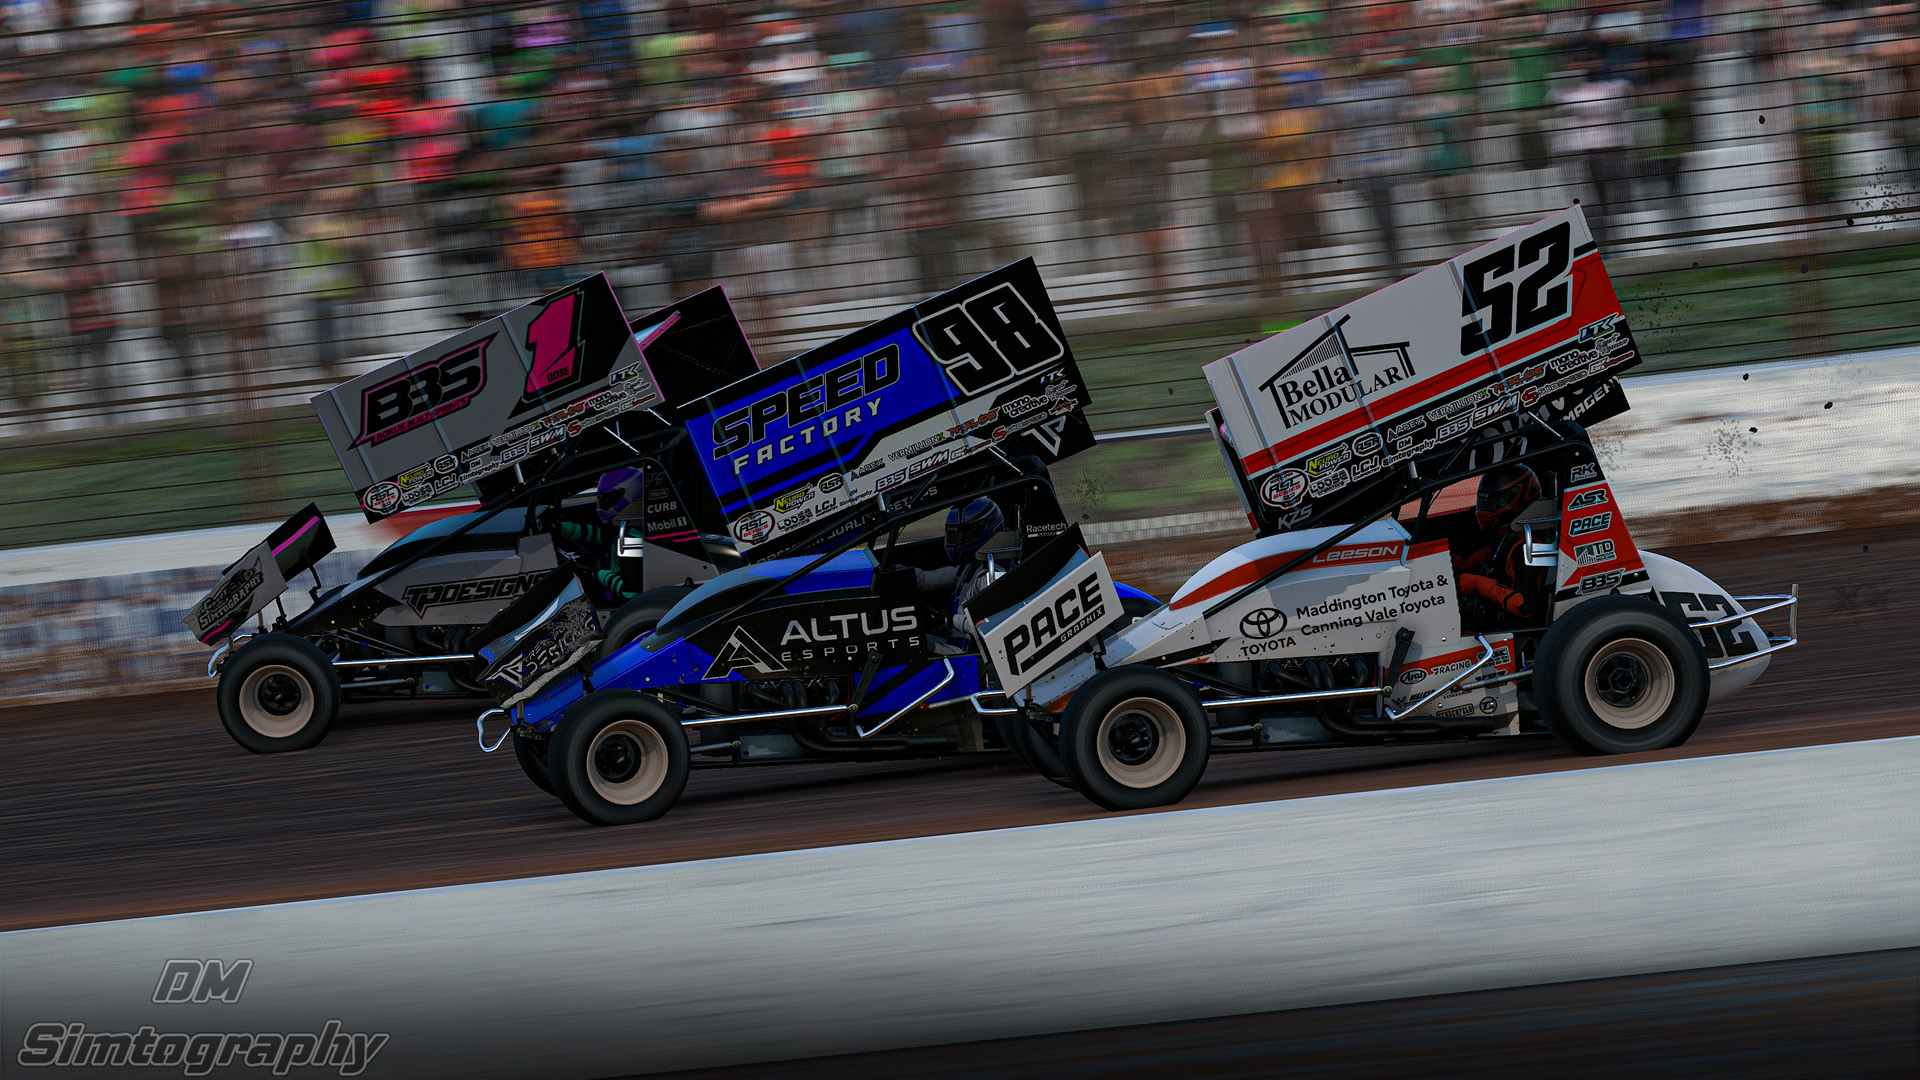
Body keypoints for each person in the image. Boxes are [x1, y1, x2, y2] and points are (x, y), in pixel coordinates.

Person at [914, 497, 1010, 650]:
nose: (955, 543)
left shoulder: (992, 574)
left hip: (971, 655)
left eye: (962, 537)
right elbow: (925, 580)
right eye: (953, 537)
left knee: (913, 647)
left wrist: (950, 620)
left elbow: (990, 626)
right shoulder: (969, 567)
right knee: (912, 640)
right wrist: (897, 571)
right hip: (957, 645)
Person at [1452, 465, 1545, 622]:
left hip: (1510, 629)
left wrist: (1479, 584)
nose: (1486, 508)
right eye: (1484, 501)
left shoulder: (1527, 546)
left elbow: (1525, 607)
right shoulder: (1502, 532)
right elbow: (1492, 560)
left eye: (1494, 502)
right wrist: (1466, 565)